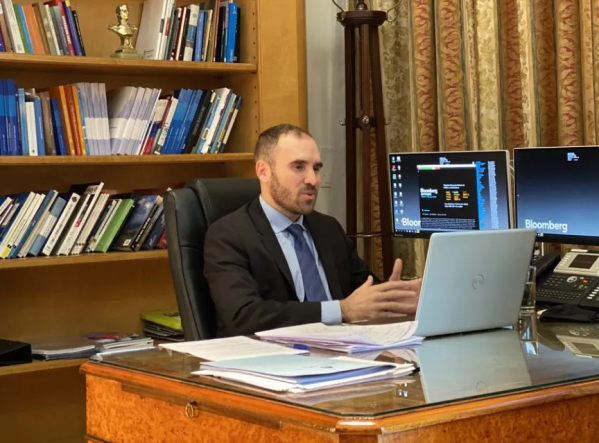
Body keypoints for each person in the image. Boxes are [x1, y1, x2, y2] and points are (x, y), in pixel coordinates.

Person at [204, 124, 422, 337]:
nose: (313, 180)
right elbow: (243, 317)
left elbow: (362, 294)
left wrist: (391, 298)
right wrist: (341, 311)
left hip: (345, 349)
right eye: (299, 167)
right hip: (274, 354)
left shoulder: (328, 228)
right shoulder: (228, 235)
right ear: (264, 171)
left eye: (316, 168)